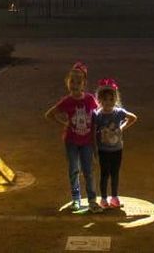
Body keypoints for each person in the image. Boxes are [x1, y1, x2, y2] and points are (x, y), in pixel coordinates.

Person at [44, 61, 103, 213]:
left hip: (87, 142)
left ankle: (92, 200)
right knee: (74, 170)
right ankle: (76, 199)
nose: (75, 85)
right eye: (72, 82)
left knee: (88, 171)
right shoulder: (67, 101)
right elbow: (49, 114)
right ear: (67, 83)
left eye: (78, 82)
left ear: (84, 84)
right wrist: (64, 123)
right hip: (71, 141)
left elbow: (99, 115)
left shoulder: (89, 99)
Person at [93, 78, 138, 209]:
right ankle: (103, 198)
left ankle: (114, 196)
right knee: (104, 174)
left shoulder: (119, 113)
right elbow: (94, 130)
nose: (108, 102)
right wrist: (95, 144)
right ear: (100, 100)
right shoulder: (98, 115)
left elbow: (133, 118)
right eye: (105, 99)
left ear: (115, 99)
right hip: (103, 150)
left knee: (115, 173)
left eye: (111, 99)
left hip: (117, 149)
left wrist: (122, 128)